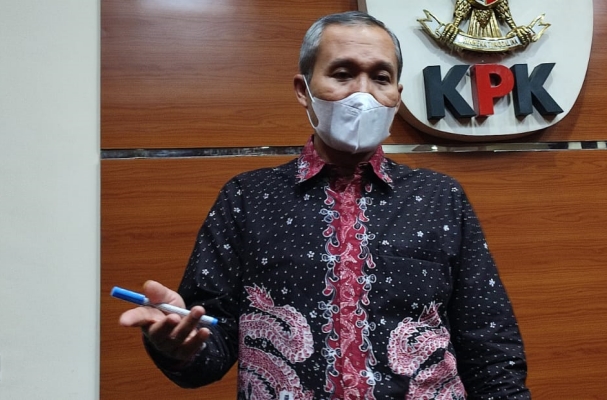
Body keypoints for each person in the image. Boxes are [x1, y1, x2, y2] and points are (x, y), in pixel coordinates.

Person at [120, 10, 531, 400]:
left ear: (397, 95)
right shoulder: (247, 197)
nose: (363, 93)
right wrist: (180, 347)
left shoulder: (440, 197)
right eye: (343, 74)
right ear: (304, 90)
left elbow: (490, 345)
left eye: (381, 78)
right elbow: (210, 339)